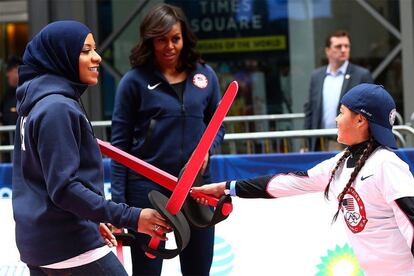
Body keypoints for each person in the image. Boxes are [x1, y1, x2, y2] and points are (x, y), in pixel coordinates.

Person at [193, 83, 414, 275]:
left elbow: (411, 223)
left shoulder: (387, 165)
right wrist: (226, 188)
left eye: (341, 112)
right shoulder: (338, 165)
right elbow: (283, 183)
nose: (337, 119)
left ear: (359, 120)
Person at [12, 20, 171, 276]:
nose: (96, 57)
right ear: (60, 55)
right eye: (85, 50)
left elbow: (41, 183)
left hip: (40, 246)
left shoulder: (33, 106)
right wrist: (131, 217)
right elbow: (64, 189)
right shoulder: (57, 108)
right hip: (70, 244)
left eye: (94, 49)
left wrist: (92, 219)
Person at [111, 3, 225, 276]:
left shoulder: (205, 76)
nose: (170, 46)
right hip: (147, 191)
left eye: (175, 38)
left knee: (198, 271)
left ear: (184, 38)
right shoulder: (133, 82)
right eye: (162, 40)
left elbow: (218, 125)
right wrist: (117, 208)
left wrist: (207, 149)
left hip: (196, 190)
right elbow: (119, 148)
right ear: (150, 41)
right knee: (147, 272)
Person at [304, 30, 374, 151]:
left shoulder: (361, 75)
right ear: (327, 51)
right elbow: (310, 110)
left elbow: (371, 109)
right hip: (321, 143)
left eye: (346, 46)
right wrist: (305, 143)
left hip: (350, 142)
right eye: (338, 46)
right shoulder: (317, 76)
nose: (343, 49)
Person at [0, 55, 23, 162]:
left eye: (9, 70)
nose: (7, 74)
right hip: (10, 151)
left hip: (24, 150)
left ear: (17, 70)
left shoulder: (28, 91)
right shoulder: (7, 94)